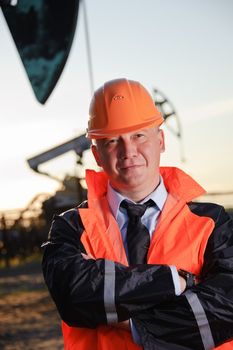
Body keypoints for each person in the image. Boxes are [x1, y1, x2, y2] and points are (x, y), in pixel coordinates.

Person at [42, 78, 233, 350]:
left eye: (138, 136)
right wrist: (175, 282)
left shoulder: (212, 222)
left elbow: (227, 308)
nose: (128, 151)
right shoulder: (72, 227)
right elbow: (74, 297)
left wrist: (133, 322)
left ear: (161, 140)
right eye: (111, 141)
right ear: (97, 155)